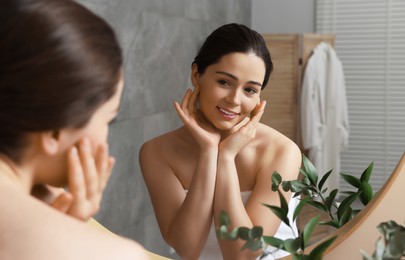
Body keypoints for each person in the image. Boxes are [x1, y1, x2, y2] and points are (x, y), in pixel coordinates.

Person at [140, 23, 302, 260]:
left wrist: (225, 157)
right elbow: (188, 247)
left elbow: (242, 254)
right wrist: (209, 151)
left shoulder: (280, 151)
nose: (234, 100)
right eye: (224, 82)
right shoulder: (157, 152)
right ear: (197, 75)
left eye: (249, 90)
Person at [0, 0, 148, 259]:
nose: (105, 140)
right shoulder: (114, 255)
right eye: (108, 121)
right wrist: (68, 237)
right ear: (54, 132)